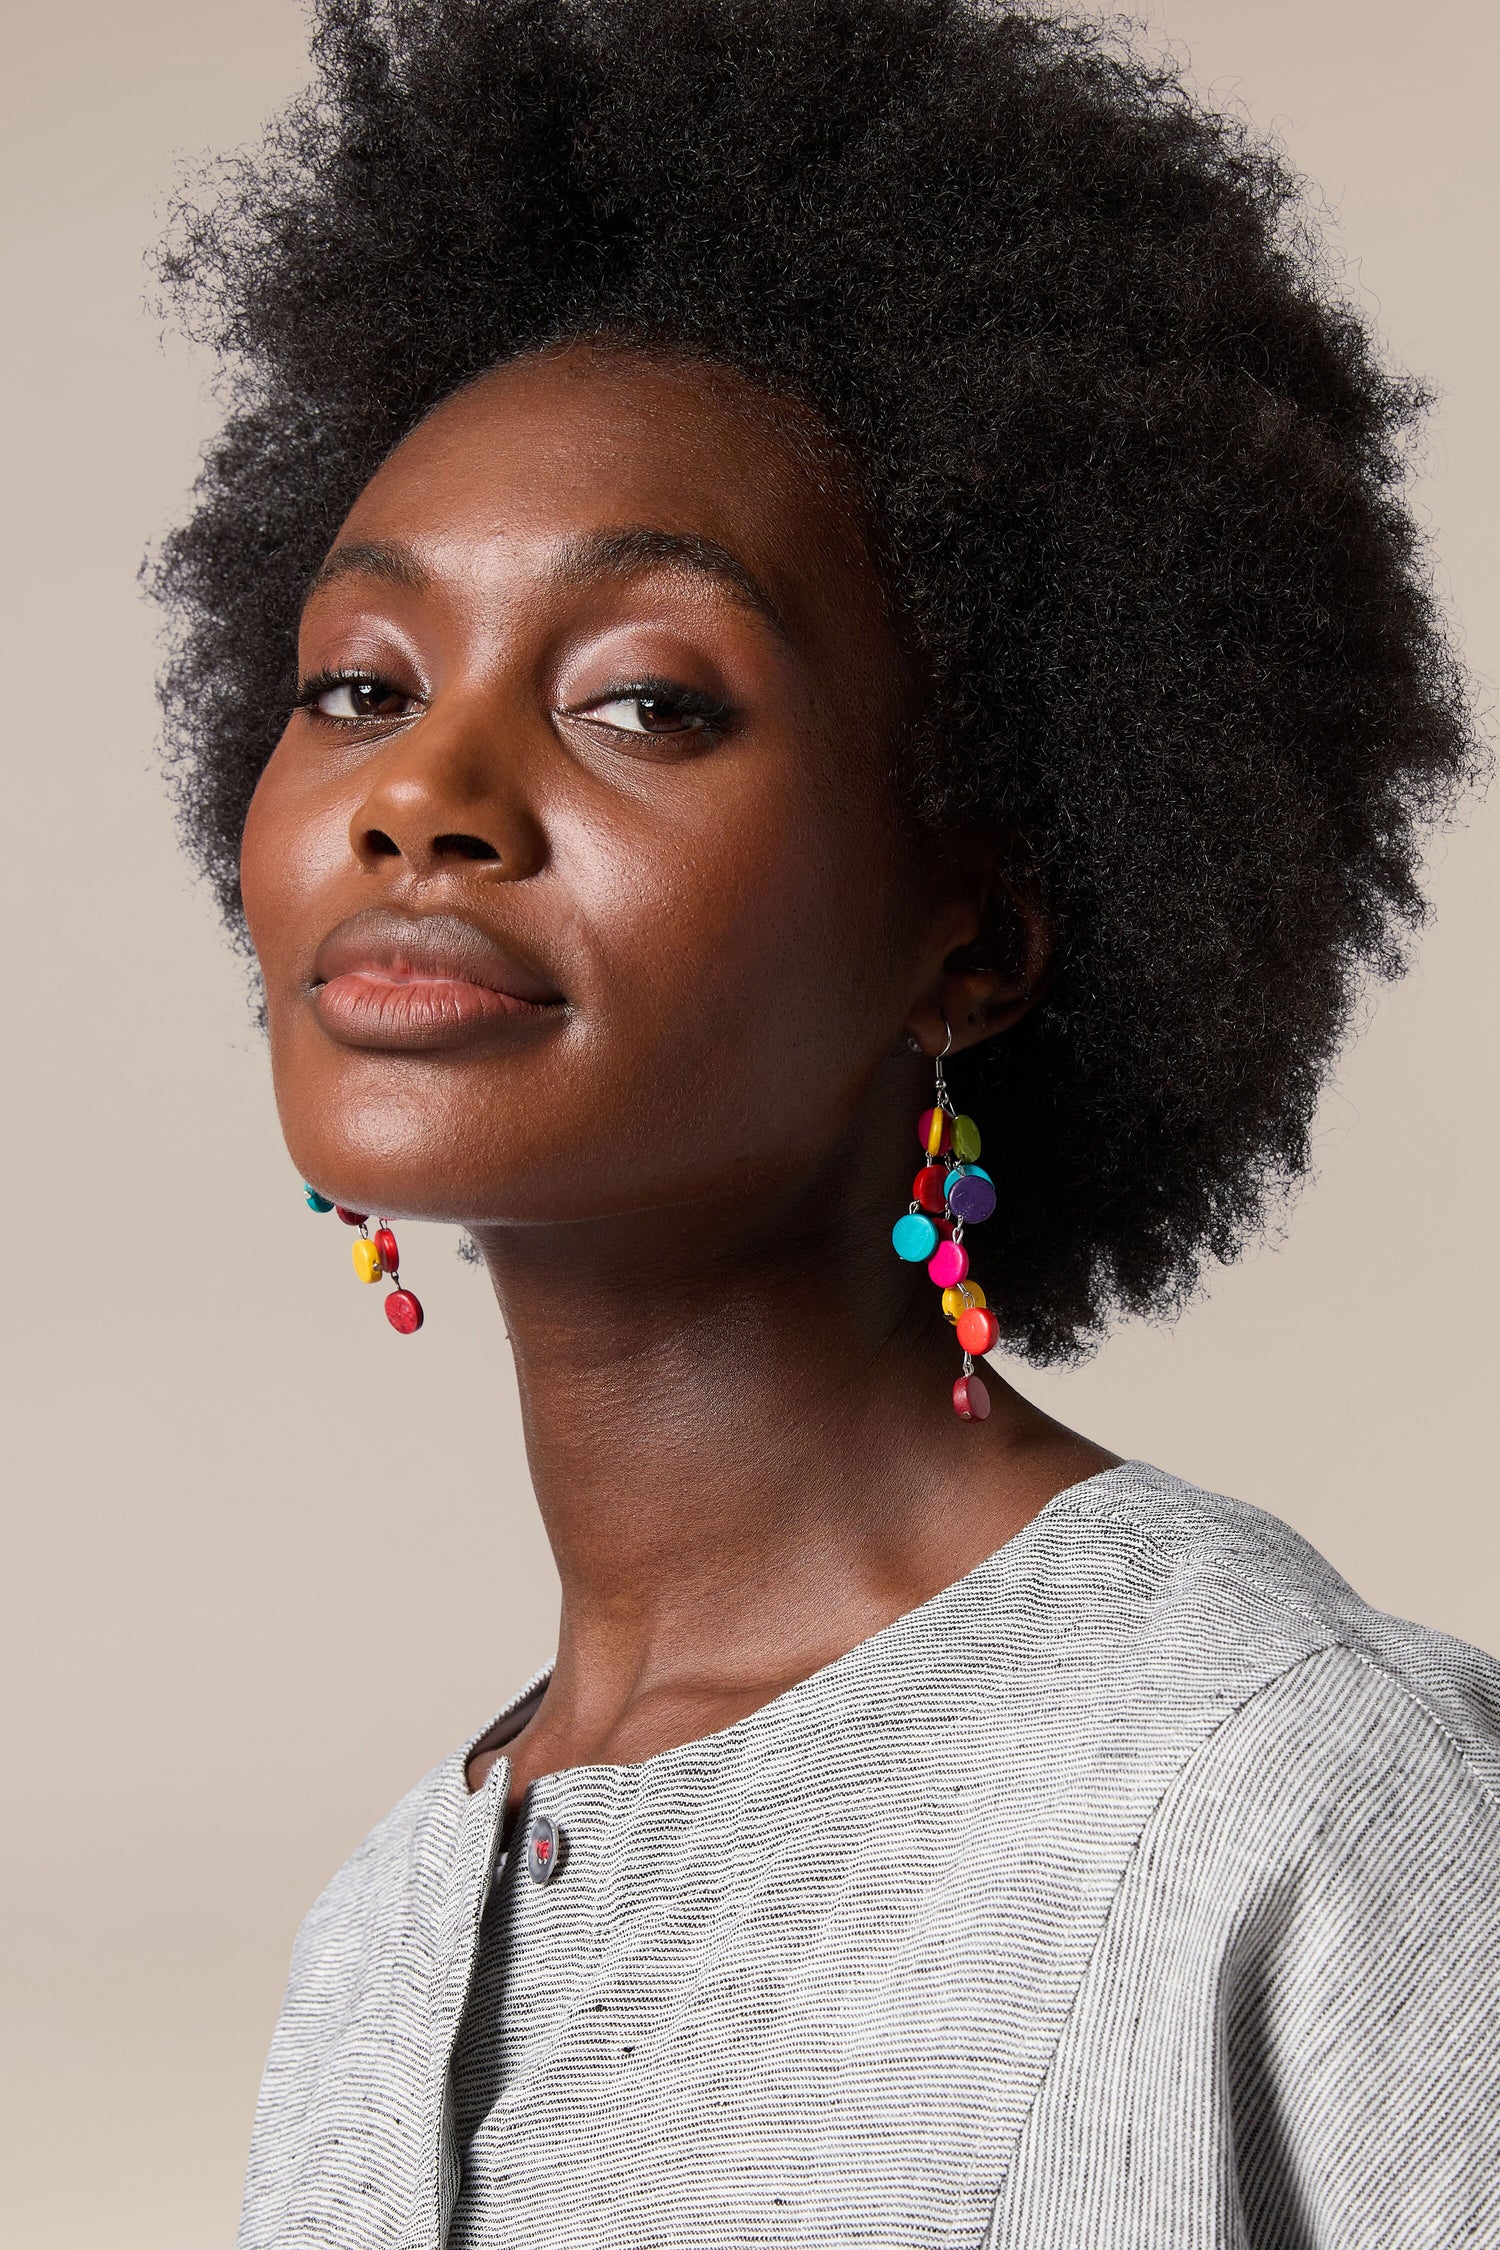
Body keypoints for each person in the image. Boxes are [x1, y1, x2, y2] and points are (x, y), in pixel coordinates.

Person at [152, 0, 1500, 2242]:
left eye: (647, 701)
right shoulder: (381, 1943)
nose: (424, 803)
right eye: (361, 687)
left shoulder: (1290, 1795)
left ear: (966, 937)